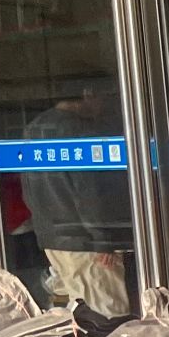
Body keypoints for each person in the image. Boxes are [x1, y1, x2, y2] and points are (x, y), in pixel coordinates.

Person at [20, 85, 134, 315]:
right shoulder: (79, 130)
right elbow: (90, 191)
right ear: (88, 94)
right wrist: (103, 239)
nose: (104, 108)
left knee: (79, 314)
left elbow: (29, 190)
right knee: (107, 315)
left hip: (53, 240)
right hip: (86, 243)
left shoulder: (33, 129)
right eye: (104, 99)